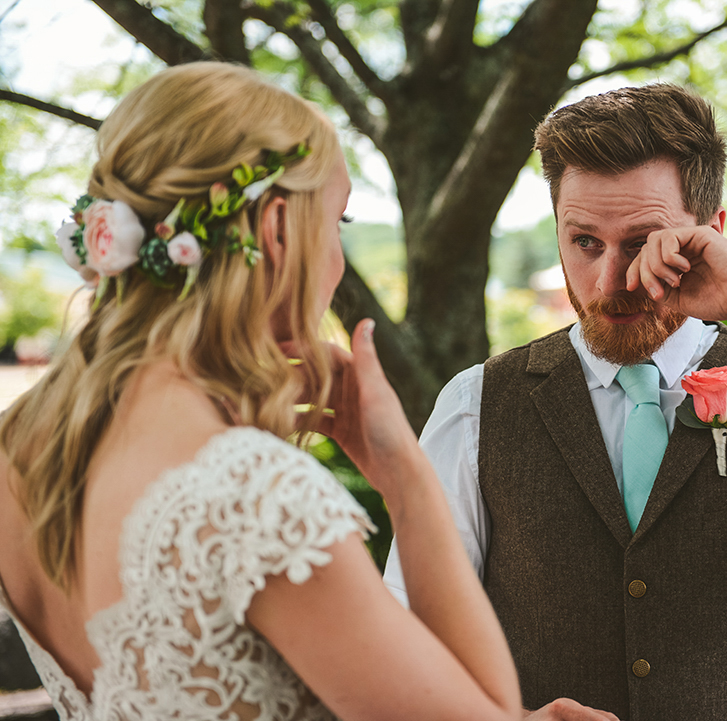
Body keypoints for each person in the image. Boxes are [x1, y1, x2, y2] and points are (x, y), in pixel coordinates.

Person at [383, 84, 727, 721]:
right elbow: (407, 635)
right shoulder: (476, 404)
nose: (609, 283)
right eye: (584, 242)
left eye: (641, 242)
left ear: (713, 234)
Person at [0, 62, 522, 721]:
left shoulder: (19, 444)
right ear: (277, 227)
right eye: (337, 221)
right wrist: (407, 479)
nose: (335, 257)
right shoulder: (254, 495)